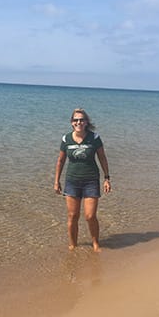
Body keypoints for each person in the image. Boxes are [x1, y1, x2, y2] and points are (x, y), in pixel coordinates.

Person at [54, 108, 111, 252]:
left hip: (91, 181)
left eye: (81, 119)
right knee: (73, 216)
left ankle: (96, 244)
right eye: (75, 120)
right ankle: (73, 245)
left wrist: (107, 178)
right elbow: (60, 161)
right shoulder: (66, 139)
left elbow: (102, 158)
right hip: (72, 182)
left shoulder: (94, 138)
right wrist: (56, 181)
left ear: (86, 122)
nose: (78, 122)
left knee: (90, 216)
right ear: (71, 122)